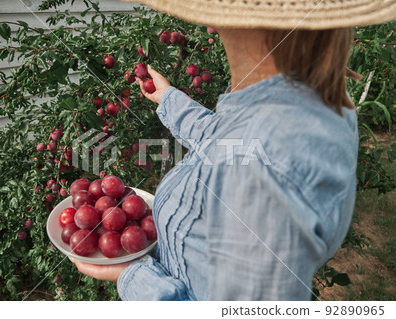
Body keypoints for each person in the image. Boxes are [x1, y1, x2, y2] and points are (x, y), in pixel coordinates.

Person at [70, 0, 395, 300]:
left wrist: (134, 276)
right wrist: (169, 99)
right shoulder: (300, 102)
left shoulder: (263, 170)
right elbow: (227, 143)